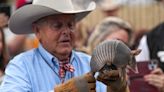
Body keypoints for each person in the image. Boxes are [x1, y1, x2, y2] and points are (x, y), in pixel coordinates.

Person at [0, 0, 129, 92]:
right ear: (37, 31)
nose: (66, 31)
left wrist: (118, 89)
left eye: (70, 25)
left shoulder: (91, 63)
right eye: (57, 25)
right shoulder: (21, 66)